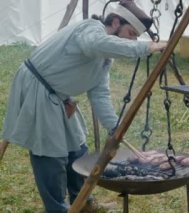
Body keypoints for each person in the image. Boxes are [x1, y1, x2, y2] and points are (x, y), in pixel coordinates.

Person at [1, 0, 167, 212]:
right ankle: (57, 208)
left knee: (78, 149)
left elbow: (100, 94)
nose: (132, 39)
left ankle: (83, 204)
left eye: (135, 37)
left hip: (61, 96)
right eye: (131, 33)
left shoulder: (105, 57)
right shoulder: (90, 29)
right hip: (39, 89)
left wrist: (115, 128)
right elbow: (94, 44)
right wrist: (145, 47)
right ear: (115, 22)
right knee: (50, 155)